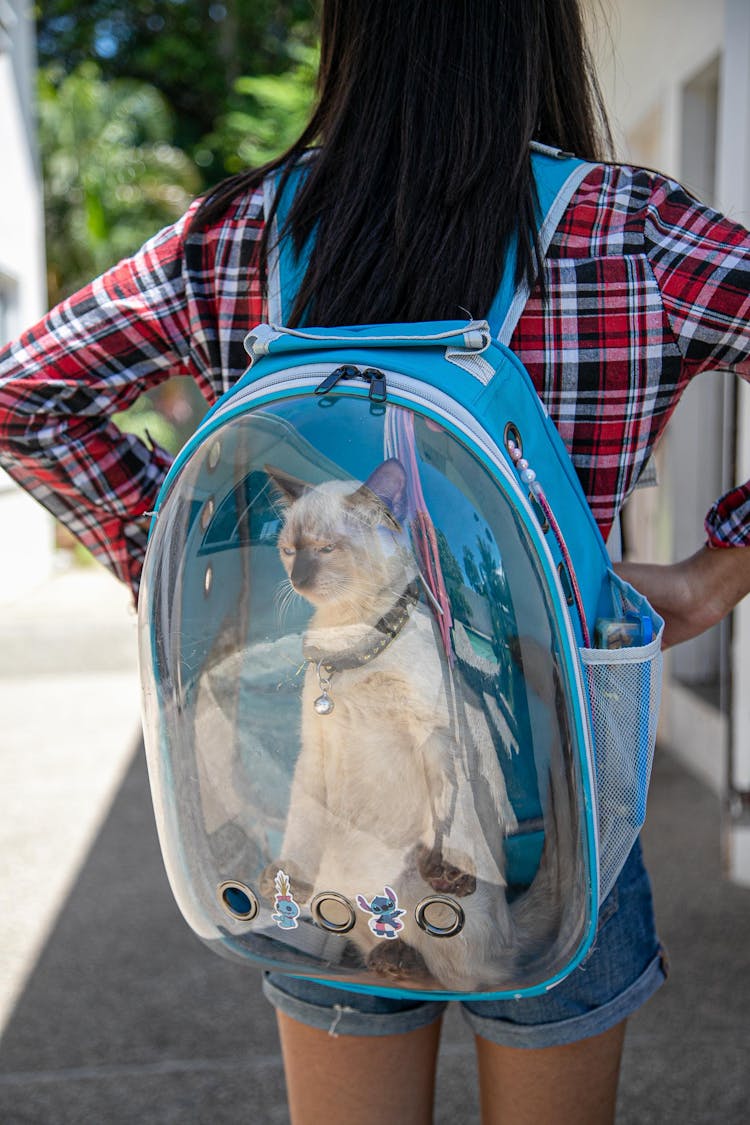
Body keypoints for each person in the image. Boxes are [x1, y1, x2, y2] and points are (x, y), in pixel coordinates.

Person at [2, 2, 749, 1122]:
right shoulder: (629, 229)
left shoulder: (242, 230)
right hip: (565, 805)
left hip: (325, 814)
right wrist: (711, 573)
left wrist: (185, 561)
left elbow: (28, 395)